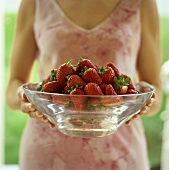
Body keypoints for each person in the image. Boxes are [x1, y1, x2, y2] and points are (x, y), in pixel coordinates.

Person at [6, 0, 162, 169]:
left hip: (120, 151)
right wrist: (24, 96)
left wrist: (147, 101)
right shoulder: (34, 2)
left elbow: (156, 91)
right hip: (48, 147)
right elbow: (13, 87)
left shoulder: (142, 3)